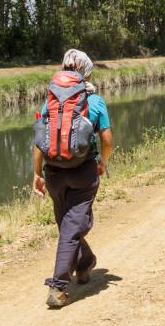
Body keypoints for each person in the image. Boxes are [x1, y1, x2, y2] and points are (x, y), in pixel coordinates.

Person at [32, 48, 113, 308]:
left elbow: (39, 139)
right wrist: (103, 161)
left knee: (67, 226)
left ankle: (85, 262)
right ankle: (58, 288)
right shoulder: (95, 101)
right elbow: (107, 139)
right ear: (86, 72)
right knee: (72, 228)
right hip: (83, 173)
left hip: (53, 173)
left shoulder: (51, 101)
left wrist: (36, 173)